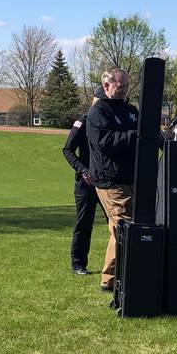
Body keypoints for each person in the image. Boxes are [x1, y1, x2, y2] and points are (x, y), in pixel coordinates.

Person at [86, 68, 138, 292]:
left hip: (132, 177)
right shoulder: (98, 112)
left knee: (126, 226)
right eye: (120, 87)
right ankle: (108, 280)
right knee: (122, 226)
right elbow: (104, 142)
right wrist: (134, 135)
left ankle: (126, 273)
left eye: (127, 86)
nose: (124, 90)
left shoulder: (131, 110)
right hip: (110, 180)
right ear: (106, 86)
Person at [62, 87, 107, 275]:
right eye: (100, 101)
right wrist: (82, 169)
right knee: (84, 223)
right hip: (85, 182)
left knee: (116, 223)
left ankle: (121, 263)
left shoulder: (107, 121)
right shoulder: (83, 120)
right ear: (94, 100)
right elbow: (67, 150)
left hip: (106, 181)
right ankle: (78, 264)